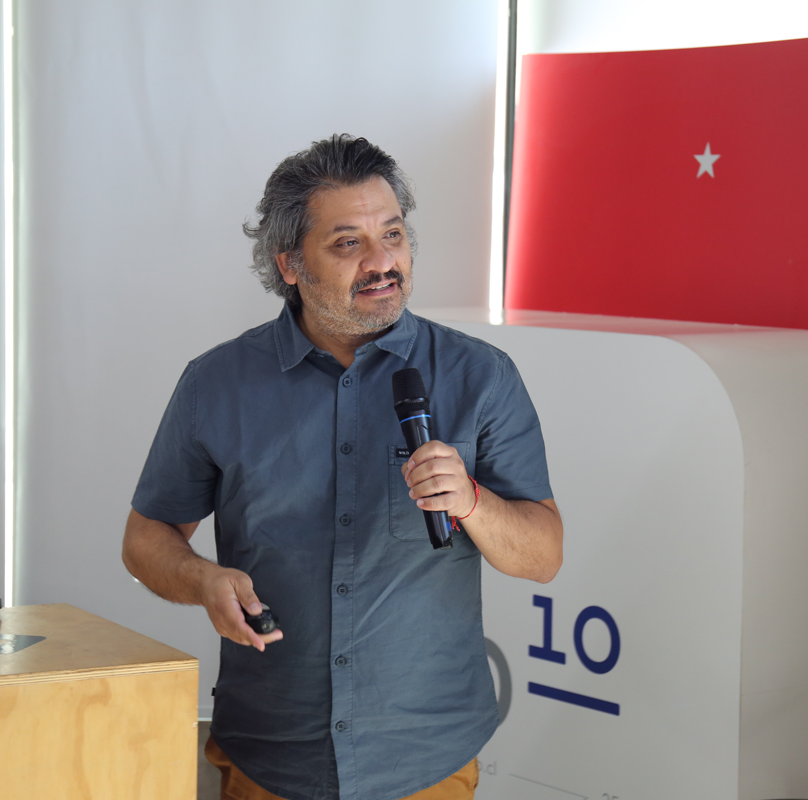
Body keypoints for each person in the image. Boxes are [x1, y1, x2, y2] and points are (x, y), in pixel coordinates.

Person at [122, 134, 562, 800]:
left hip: (423, 758)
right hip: (270, 752)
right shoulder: (215, 384)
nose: (383, 262)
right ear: (290, 264)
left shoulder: (481, 377)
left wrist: (473, 501)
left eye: (394, 234)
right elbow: (146, 536)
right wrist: (201, 579)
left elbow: (543, 556)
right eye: (348, 243)